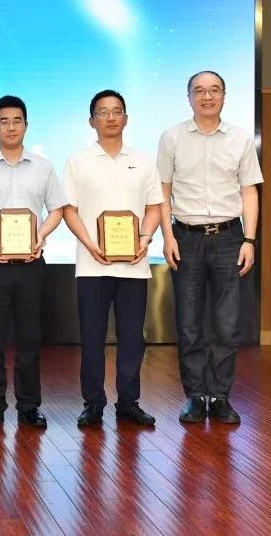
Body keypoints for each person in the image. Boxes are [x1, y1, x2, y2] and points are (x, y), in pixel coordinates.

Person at [158, 70, 262, 425]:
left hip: (230, 236)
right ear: (189, 97)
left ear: (224, 96)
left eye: (214, 90)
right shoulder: (171, 137)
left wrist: (249, 239)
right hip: (185, 237)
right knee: (189, 322)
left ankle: (219, 396)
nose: (207, 96)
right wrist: (167, 236)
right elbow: (162, 191)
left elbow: (249, 190)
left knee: (227, 323)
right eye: (199, 91)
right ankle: (194, 395)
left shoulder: (240, 138)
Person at [0, 95, 67, 428]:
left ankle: (29, 405)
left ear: (26, 125)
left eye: (17, 120)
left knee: (30, 336)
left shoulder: (43, 167)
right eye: (3, 121)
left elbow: (57, 209)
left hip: (31, 261)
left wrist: (40, 236)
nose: (11, 127)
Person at [62, 89, 163, 428]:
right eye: (103, 112)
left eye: (117, 111)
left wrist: (145, 238)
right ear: (91, 121)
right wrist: (89, 243)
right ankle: (93, 403)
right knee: (92, 336)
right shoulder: (78, 161)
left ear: (126, 118)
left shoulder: (143, 160)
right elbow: (69, 209)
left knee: (133, 338)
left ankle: (129, 402)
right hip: (92, 264)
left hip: (134, 266)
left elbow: (154, 207)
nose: (110, 117)